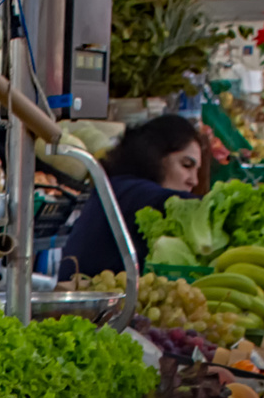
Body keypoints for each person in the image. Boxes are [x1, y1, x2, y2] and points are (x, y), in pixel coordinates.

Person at [59, 114, 203, 279]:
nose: (194, 180)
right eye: (186, 165)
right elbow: (179, 202)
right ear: (155, 157)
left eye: (197, 170)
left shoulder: (118, 187)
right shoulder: (129, 191)